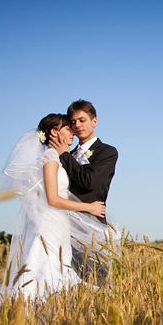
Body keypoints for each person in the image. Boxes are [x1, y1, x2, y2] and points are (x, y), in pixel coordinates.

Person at [0, 113, 108, 302]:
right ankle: (30, 306)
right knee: (45, 268)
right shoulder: (50, 159)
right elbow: (53, 199)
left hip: (55, 224)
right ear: (54, 132)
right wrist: (89, 207)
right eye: (68, 128)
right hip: (48, 225)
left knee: (53, 269)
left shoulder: (52, 158)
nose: (73, 133)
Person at [48, 100, 120, 283]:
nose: (77, 125)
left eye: (82, 120)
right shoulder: (67, 154)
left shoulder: (107, 152)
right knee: (69, 281)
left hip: (92, 226)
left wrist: (64, 154)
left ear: (94, 121)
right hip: (65, 226)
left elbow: (90, 182)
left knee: (97, 280)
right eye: (73, 122)